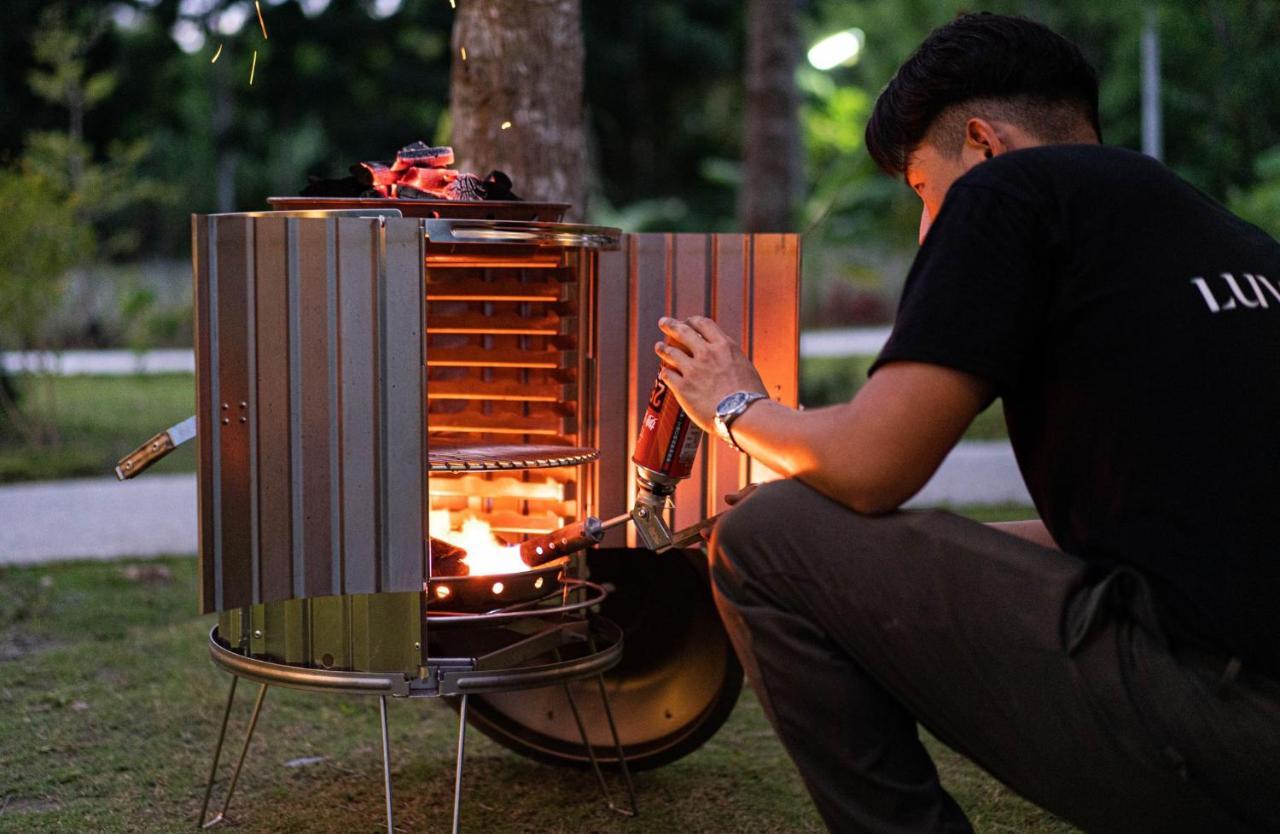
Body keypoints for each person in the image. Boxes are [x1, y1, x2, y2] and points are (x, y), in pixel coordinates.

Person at [653, 12, 1280, 834]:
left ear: (983, 144)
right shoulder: (1222, 234)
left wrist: (737, 405)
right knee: (811, 536)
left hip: (1229, 720)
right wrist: (873, 557)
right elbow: (1169, 533)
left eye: (921, 188)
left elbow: (876, 464)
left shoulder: (1011, 191)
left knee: (766, 539)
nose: (925, 227)